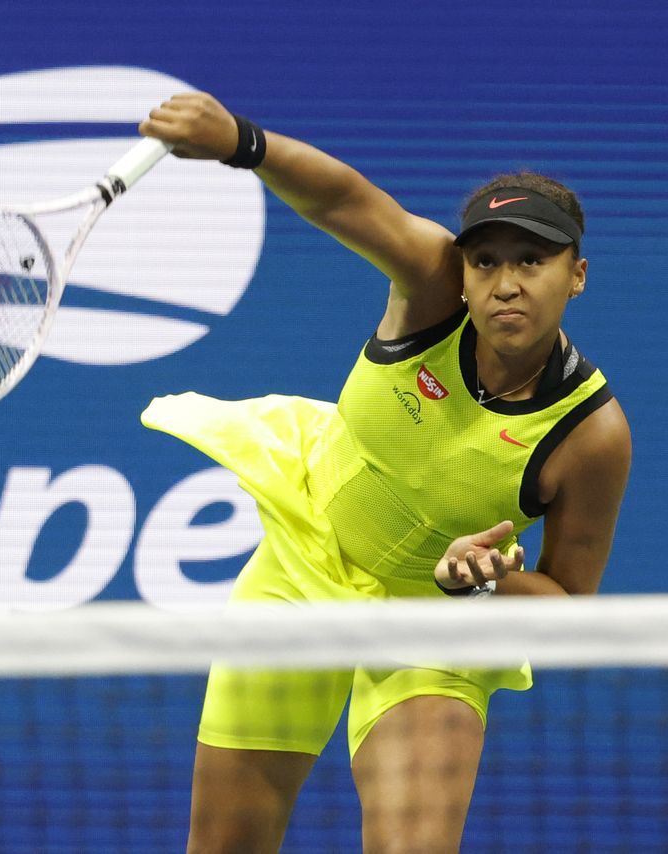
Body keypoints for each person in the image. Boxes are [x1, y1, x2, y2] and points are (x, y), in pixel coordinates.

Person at [137, 93, 632, 853]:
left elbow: (570, 607)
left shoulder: (590, 435)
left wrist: (483, 583)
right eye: (486, 260)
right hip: (301, 567)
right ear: (462, 272)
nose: (505, 283)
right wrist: (242, 142)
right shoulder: (431, 291)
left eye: (532, 260)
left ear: (577, 276)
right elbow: (346, 200)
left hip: (433, 625)